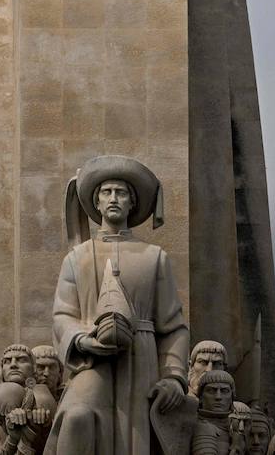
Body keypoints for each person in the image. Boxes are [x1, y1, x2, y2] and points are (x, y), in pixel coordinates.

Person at [44, 155, 191, 455]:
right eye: (106, 192)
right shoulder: (77, 257)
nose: (113, 199)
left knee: (132, 440)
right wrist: (83, 340)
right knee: (76, 417)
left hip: (142, 355)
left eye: (121, 193)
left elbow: (174, 325)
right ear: (96, 203)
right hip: (91, 360)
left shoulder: (154, 256)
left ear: (131, 204)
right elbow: (63, 314)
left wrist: (174, 377)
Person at [191, 370, 246, 455]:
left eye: (224, 391)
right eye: (211, 391)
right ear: (201, 397)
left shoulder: (238, 427)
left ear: (232, 397)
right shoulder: (199, 426)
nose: (218, 397)